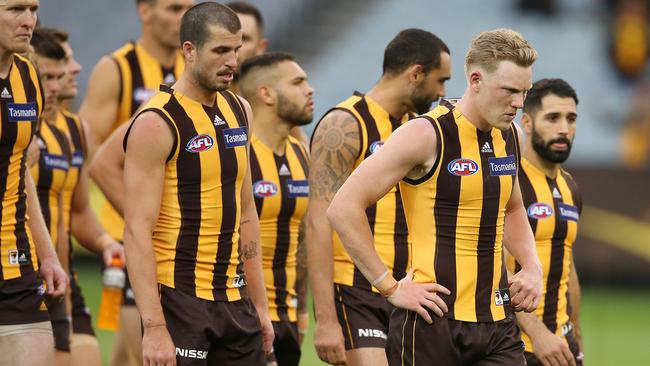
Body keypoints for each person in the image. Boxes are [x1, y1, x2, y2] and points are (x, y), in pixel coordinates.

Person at [327, 28, 544, 366]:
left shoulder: (512, 134)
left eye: (525, 92)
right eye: (510, 91)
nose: (519, 102)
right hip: (432, 321)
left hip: (497, 324)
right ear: (475, 80)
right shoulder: (425, 134)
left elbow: (513, 207)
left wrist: (531, 266)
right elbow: (342, 207)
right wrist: (390, 287)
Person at [122, 3, 273, 365]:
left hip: (236, 302)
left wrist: (261, 306)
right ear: (189, 51)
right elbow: (136, 230)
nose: (232, 62)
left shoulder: (240, 110)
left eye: (236, 49)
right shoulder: (157, 121)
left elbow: (247, 211)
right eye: (220, 51)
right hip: (179, 302)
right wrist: (155, 326)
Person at [307, 28, 451, 366]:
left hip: (409, 290)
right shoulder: (343, 124)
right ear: (416, 74)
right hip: (355, 289)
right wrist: (326, 319)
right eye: (440, 80)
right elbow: (317, 223)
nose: (442, 92)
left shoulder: (419, 130)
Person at [79, 1, 193, 364]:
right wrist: (137, 217)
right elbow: (89, 149)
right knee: (152, 348)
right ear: (145, 11)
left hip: (180, 239)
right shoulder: (117, 69)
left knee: (130, 356)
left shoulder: (193, 68)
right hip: (128, 235)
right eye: (174, 8)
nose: (183, 18)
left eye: (189, 8)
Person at [37, 26, 125, 366]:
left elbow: (79, 211)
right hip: (21, 279)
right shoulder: (18, 129)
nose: (74, 69)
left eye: (70, 62)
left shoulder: (77, 131)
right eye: (54, 71)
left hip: (64, 279)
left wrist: (106, 243)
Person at [0, 1, 68, 366]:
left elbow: (20, 166)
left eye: (33, 9)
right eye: (15, 9)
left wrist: (48, 254)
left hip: (15, 265)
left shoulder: (28, 77)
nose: (29, 21)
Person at [239, 52, 313, 366]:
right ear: (266, 93)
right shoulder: (238, 153)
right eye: (298, 83)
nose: (310, 90)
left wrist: (302, 310)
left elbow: (303, 238)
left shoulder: (301, 154)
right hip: (244, 316)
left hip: (288, 319)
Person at [507, 78, 584, 366]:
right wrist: (538, 335)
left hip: (563, 346)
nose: (564, 128)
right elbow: (493, 272)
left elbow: (568, 267)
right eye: (552, 118)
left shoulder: (571, 187)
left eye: (571, 118)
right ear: (526, 123)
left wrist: (577, 337)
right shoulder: (510, 184)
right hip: (518, 346)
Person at [29, 28, 75, 366]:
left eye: (59, 77)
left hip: (50, 279)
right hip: (14, 271)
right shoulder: (18, 131)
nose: (56, 87)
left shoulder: (65, 133)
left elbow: (64, 215)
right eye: (47, 78)